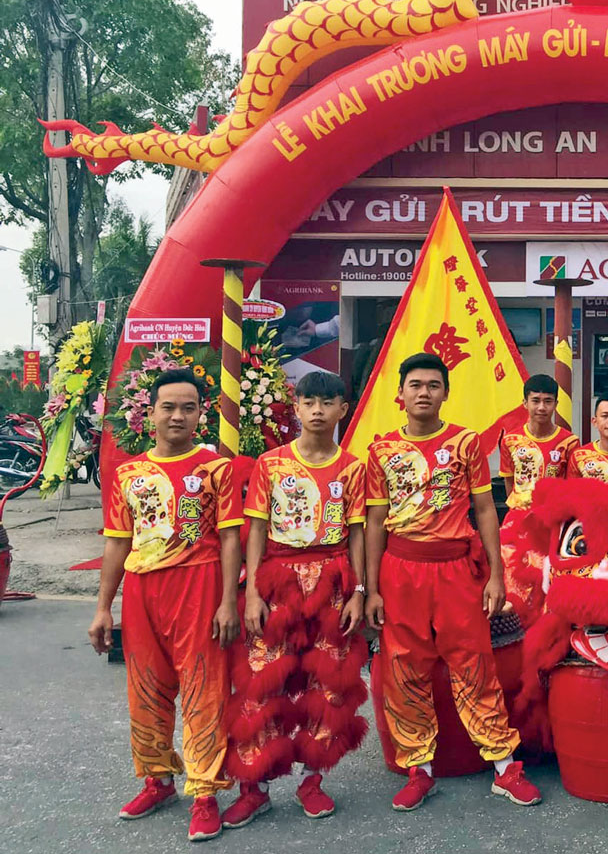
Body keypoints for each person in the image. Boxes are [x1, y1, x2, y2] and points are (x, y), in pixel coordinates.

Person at [363, 352, 539, 812]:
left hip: (457, 570)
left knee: (474, 663)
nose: (424, 392)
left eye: (433, 385)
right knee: (405, 670)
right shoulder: (381, 451)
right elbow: (376, 522)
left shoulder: (465, 444)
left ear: (446, 393)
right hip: (400, 570)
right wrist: (371, 588)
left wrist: (496, 576)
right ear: (399, 395)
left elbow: (485, 511)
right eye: (415, 384)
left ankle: (505, 767)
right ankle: (418, 769)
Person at [87, 368, 244, 842]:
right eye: (168, 407)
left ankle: (205, 793)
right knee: (146, 692)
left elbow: (231, 537)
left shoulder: (215, 468)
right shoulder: (127, 473)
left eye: (188, 408)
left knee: (204, 691)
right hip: (141, 590)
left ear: (201, 414)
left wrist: (227, 601)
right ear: (150, 412)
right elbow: (117, 543)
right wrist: (102, 608)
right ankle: (158, 780)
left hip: (198, 586)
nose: (177, 415)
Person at [221, 371, 368, 828]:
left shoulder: (354, 468)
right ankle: (255, 785)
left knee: (329, 688)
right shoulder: (271, 464)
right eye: (309, 401)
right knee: (261, 684)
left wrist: (359, 591)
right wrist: (249, 597)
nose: (318, 411)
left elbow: (359, 532)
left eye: (328, 402)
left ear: (343, 409)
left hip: (334, 582)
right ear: (297, 408)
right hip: (277, 581)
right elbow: (257, 530)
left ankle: (312, 780)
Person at [498, 374, 580, 515]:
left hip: (554, 517)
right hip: (520, 517)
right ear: (525, 403)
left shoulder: (570, 442)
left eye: (548, 401)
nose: (541, 407)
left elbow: (572, 486)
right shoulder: (510, 440)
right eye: (535, 401)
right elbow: (509, 481)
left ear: (556, 404)